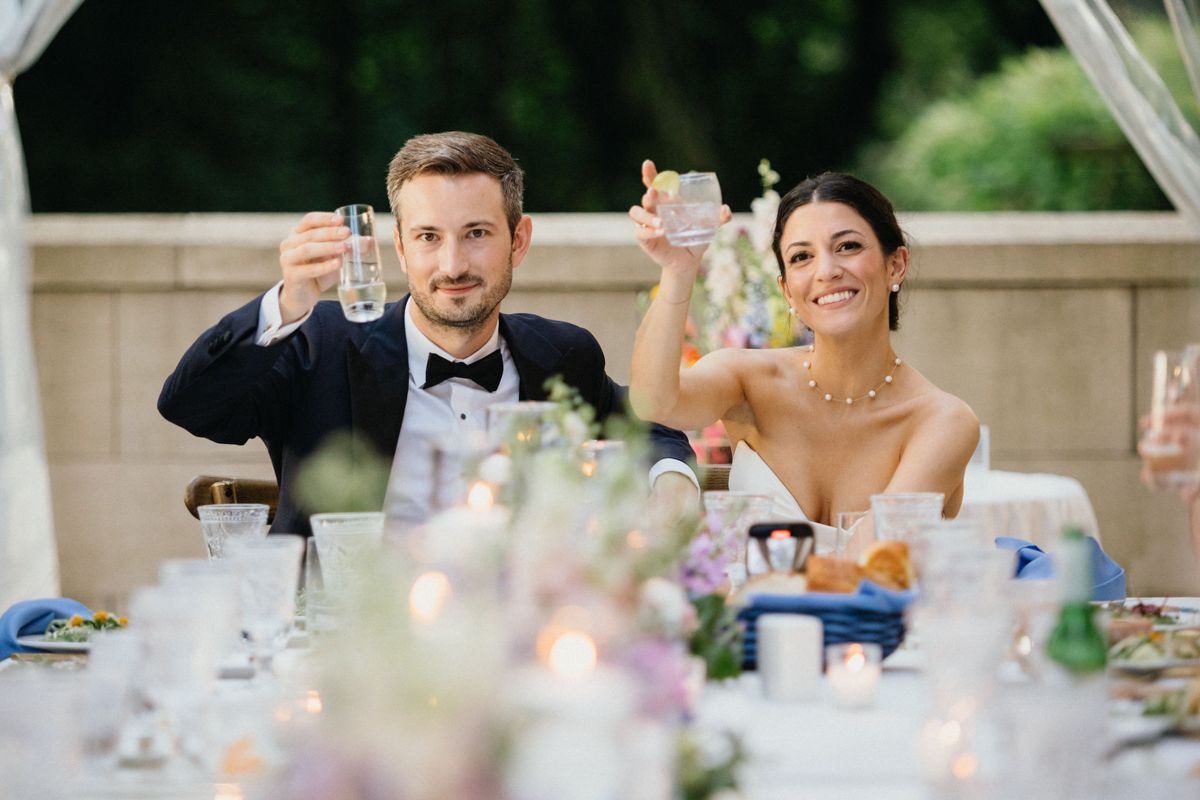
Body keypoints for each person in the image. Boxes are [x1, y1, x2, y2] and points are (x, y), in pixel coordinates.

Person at [159, 132, 698, 536]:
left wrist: (672, 479)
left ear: (519, 240)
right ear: (399, 245)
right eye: (428, 237)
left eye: (477, 233)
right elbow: (192, 406)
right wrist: (285, 305)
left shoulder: (561, 354)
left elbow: (650, 427)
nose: (453, 263)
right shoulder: (319, 344)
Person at [627, 165, 978, 535]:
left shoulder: (943, 421)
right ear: (786, 291)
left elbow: (868, 562)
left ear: (896, 265)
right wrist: (679, 269)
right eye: (801, 257)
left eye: (848, 246)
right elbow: (654, 403)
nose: (826, 271)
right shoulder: (747, 380)